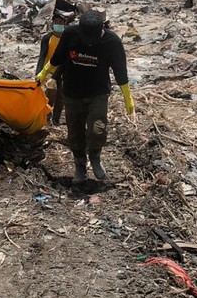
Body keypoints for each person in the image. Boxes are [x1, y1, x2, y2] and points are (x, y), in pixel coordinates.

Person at [38, 10, 135, 184]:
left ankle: (95, 157)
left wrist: (128, 98)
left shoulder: (112, 42)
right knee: (74, 133)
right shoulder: (70, 34)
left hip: (98, 93)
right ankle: (80, 166)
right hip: (72, 93)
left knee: (97, 129)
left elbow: (120, 71)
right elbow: (57, 57)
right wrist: (44, 74)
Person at [35, 12, 68, 126]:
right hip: (49, 71)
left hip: (63, 72)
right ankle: (47, 117)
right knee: (49, 94)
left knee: (61, 97)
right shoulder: (47, 38)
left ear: (65, 24)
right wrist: (38, 72)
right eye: (56, 21)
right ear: (52, 23)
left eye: (60, 22)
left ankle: (56, 119)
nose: (58, 24)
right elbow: (42, 56)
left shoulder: (67, 39)